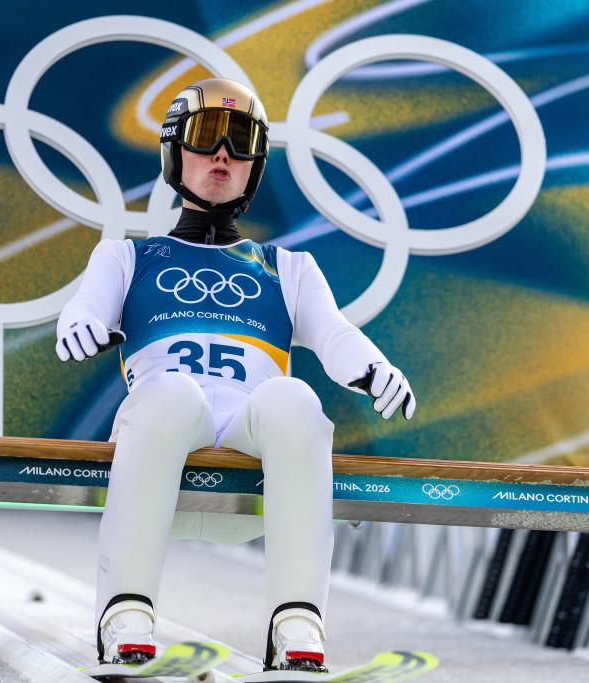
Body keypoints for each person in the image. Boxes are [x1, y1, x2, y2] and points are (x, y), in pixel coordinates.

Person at [54, 78, 416, 673]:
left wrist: (373, 368)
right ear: (175, 151)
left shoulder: (288, 267)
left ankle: (298, 626)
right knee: (169, 392)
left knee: (293, 398)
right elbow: (85, 307)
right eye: (205, 136)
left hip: (250, 469)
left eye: (240, 141)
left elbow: (335, 334)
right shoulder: (126, 256)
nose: (222, 153)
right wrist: (83, 324)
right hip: (162, 453)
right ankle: (125, 617)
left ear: (255, 165)